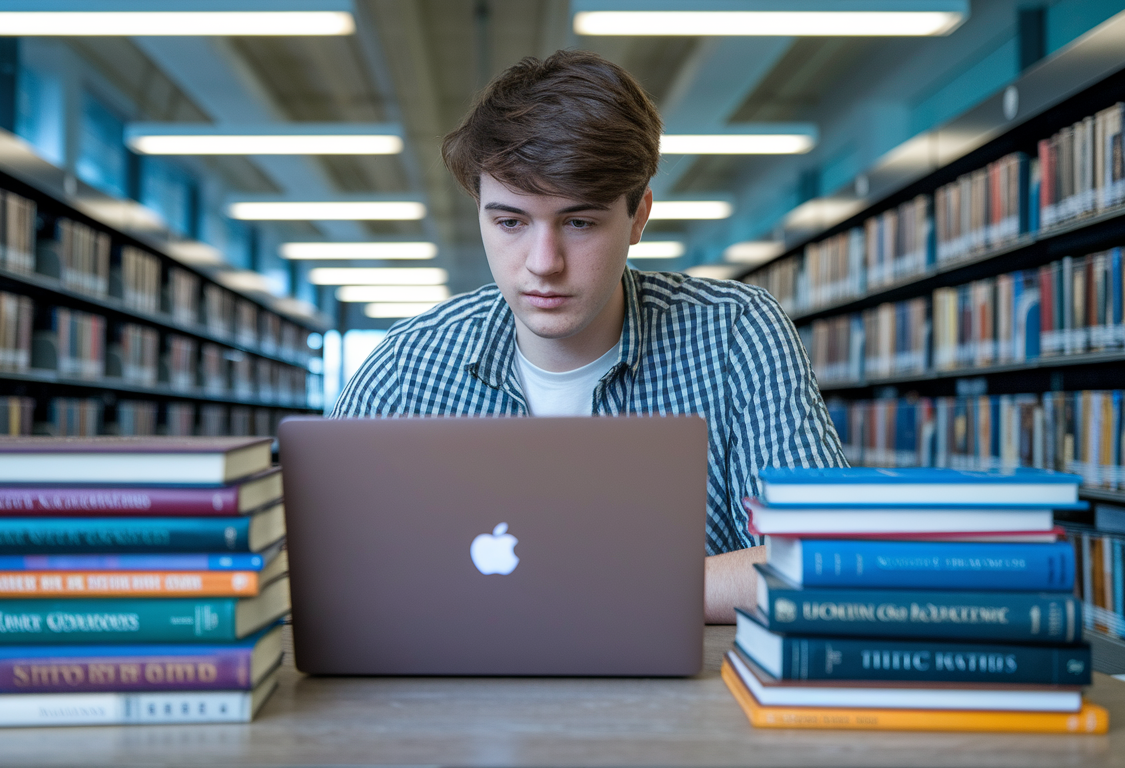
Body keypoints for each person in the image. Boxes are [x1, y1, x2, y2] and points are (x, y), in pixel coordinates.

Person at [332, 49, 846, 623]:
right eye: (510, 222)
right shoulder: (408, 365)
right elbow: (321, 562)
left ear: (639, 217)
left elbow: (830, 558)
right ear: (479, 211)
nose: (543, 263)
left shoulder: (735, 334)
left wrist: (593, 592)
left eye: (579, 222)